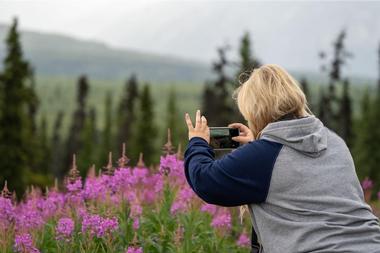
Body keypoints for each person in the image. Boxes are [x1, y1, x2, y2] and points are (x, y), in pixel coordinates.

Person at [184, 64, 380, 253]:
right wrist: (256, 147)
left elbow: (205, 180)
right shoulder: (334, 141)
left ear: (256, 110)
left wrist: (198, 142)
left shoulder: (264, 157)